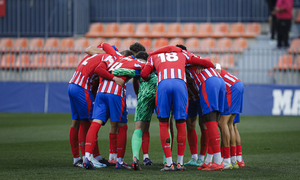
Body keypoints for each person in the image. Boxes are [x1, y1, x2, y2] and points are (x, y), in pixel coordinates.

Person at [141, 45, 214, 171]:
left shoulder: (153, 56)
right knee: (181, 123)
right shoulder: (183, 54)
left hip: (163, 84)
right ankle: (180, 163)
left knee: (164, 124)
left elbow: (144, 74)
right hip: (180, 84)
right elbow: (207, 62)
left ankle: (169, 163)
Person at [82, 51, 148, 170]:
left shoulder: (113, 59)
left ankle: (87, 158)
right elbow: (145, 71)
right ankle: (119, 161)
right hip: (116, 93)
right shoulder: (135, 62)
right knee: (122, 126)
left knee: (95, 123)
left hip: (101, 92)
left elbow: (98, 69)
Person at [68, 47, 117, 168]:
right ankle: (88, 158)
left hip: (72, 85)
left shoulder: (91, 56)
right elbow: (99, 75)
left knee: (76, 122)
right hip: (82, 88)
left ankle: (79, 158)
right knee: (88, 123)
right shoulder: (108, 58)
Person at [185, 63, 226, 171]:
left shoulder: (190, 62)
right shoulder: (193, 63)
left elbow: (210, 62)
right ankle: (207, 160)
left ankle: (216, 161)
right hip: (215, 83)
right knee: (211, 122)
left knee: (209, 123)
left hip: (206, 88)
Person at [215, 64, 244, 170]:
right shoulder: (214, 65)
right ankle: (237, 159)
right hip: (237, 84)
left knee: (222, 123)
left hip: (232, 88)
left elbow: (217, 70)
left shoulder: (210, 69)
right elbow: (218, 66)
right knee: (231, 124)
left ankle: (227, 160)